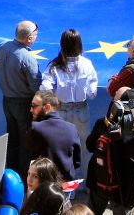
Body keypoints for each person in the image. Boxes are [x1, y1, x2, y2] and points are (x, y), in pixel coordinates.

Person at [40, 29, 97, 171]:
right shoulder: (87, 64)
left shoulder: (54, 66)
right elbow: (92, 93)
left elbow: (44, 89)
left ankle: (63, 183)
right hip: (81, 111)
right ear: (79, 45)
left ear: (62, 45)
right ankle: (85, 184)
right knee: (84, 146)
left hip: (61, 111)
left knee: (60, 147)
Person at [0, 20, 43, 179]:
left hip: (7, 101)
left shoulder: (1, 47)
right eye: (35, 34)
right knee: (25, 143)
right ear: (29, 38)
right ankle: (22, 178)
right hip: (23, 105)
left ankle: (9, 174)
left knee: (12, 139)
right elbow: (35, 86)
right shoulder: (28, 58)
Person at [27, 90, 81, 180]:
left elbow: (28, 157)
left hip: (43, 186)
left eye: (34, 106)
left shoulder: (35, 128)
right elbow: (77, 162)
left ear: (47, 107)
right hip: (66, 186)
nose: (31, 110)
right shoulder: (72, 128)